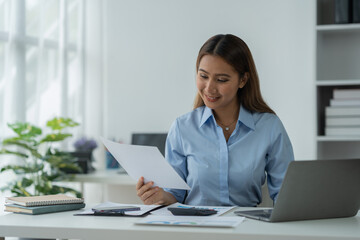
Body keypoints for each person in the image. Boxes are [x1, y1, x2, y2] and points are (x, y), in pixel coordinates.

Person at [136, 34, 294, 207]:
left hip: (246, 230)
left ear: (243, 80)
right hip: (196, 229)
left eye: (221, 80)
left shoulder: (269, 127)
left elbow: (286, 196)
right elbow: (175, 195)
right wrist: (158, 196)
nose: (209, 88)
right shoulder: (182, 128)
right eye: (203, 76)